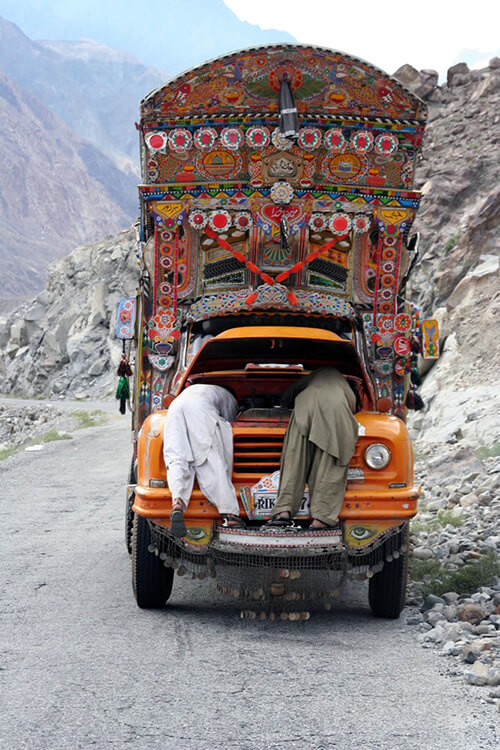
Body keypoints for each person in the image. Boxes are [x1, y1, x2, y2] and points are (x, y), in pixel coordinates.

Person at [267, 367, 359, 530]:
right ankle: (321, 518)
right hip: (336, 412)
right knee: (329, 465)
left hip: (305, 407)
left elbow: (289, 395)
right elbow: (353, 407)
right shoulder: (345, 385)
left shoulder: (314, 376)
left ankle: (283, 511)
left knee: (294, 462)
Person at [163, 383, 244, 537]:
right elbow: (230, 421)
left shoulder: (198, 389)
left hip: (175, 407)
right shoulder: (229, 397)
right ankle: (230, 514)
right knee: (211, 460)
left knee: (177, 456)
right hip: (199, 409)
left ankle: (178, 503)